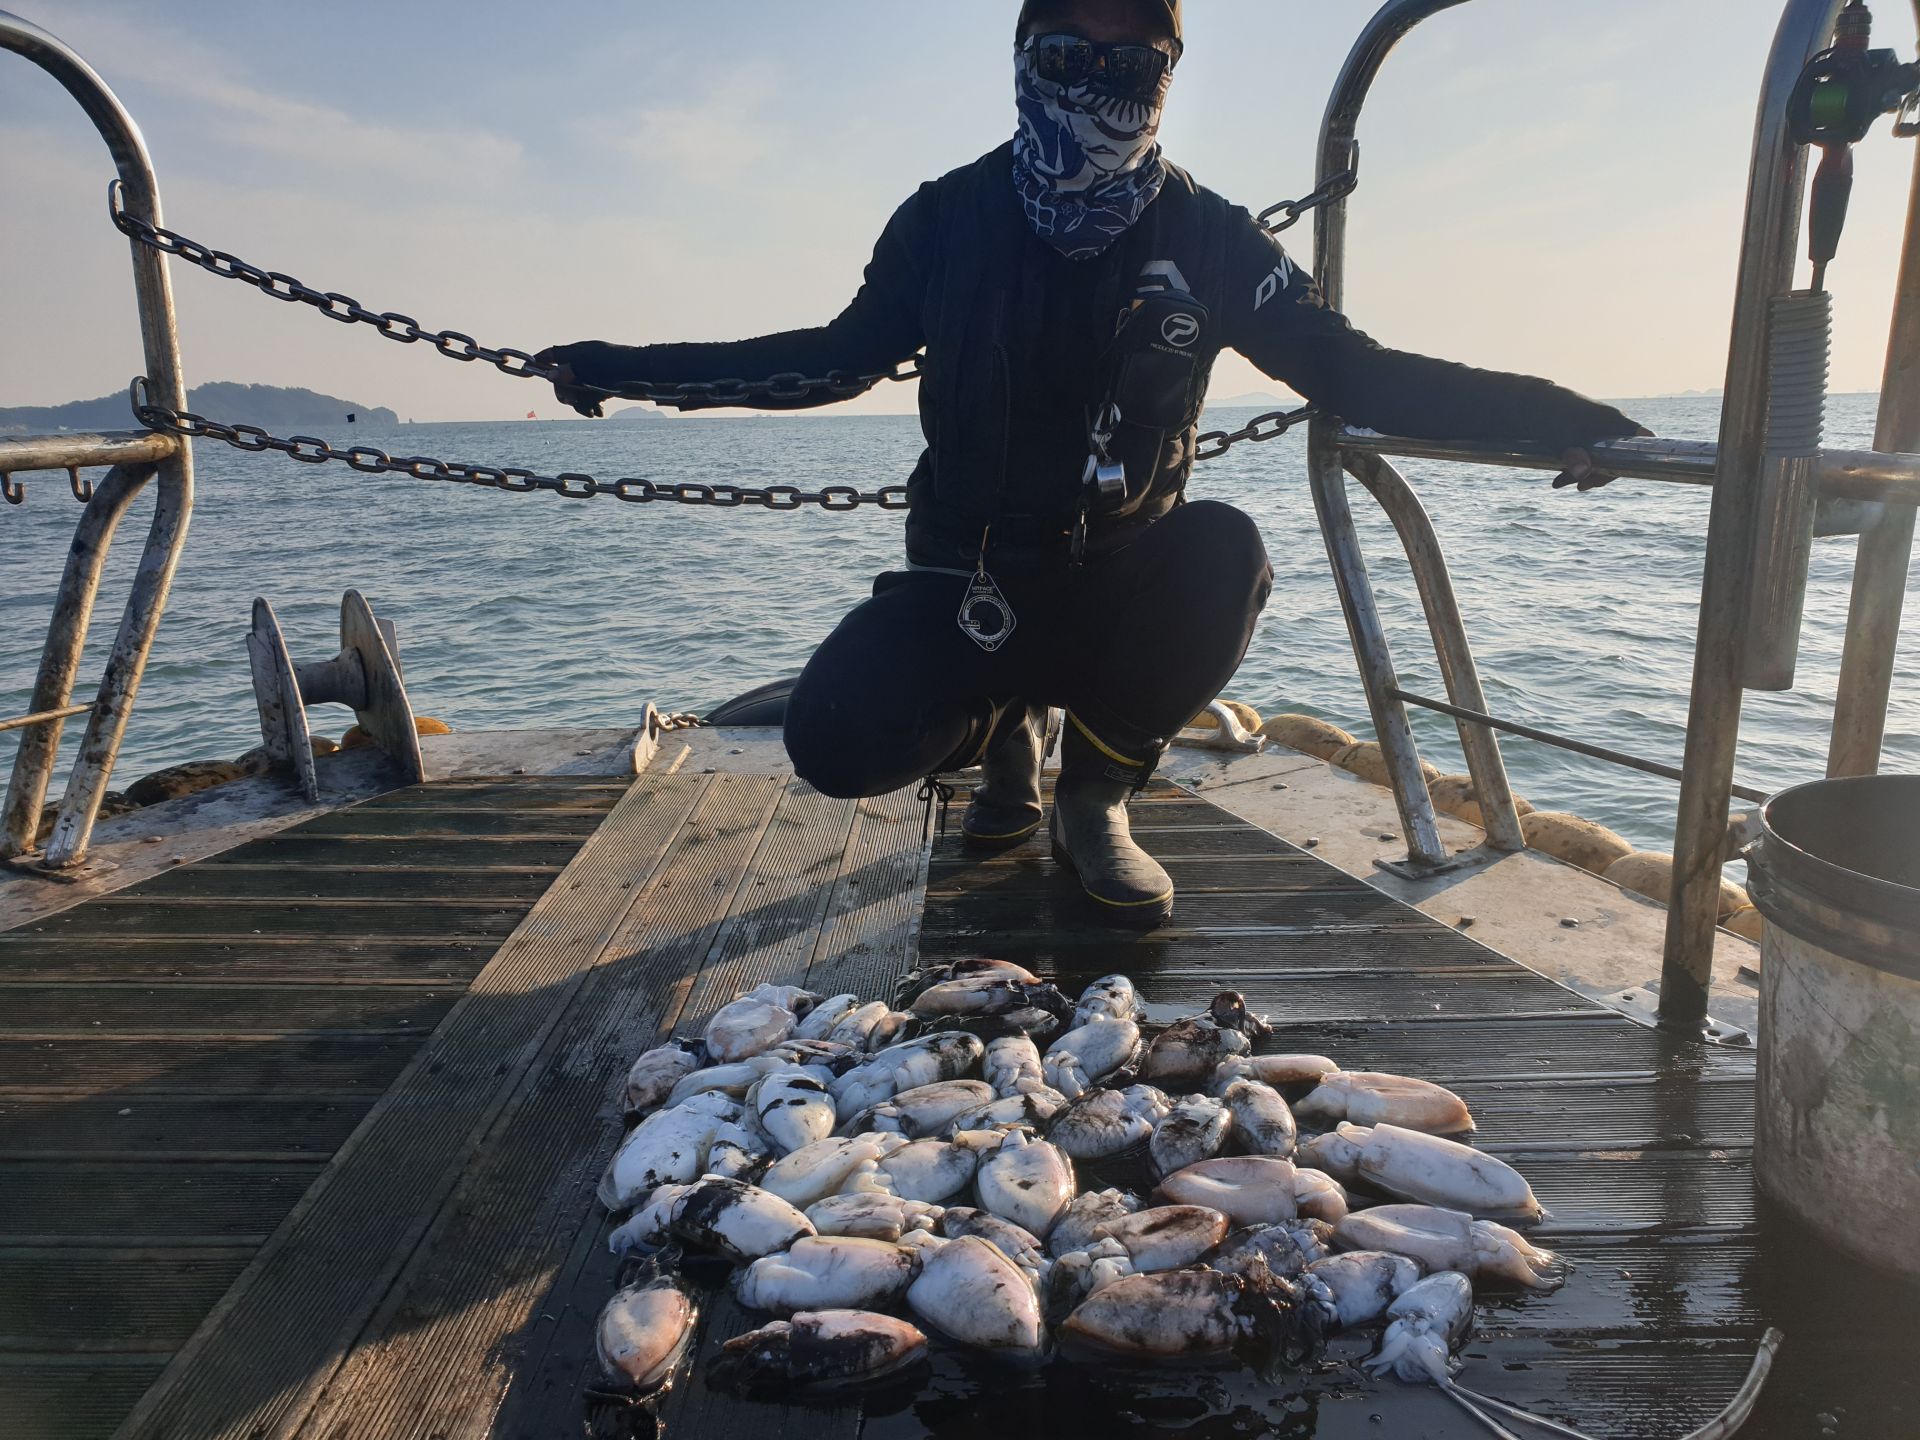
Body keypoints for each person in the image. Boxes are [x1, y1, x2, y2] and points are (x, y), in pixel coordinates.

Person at [538, 0, 1648, 928]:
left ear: (1169, 75)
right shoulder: (945, 220)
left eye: (1136, 62)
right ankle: (1001, 734)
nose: (1102, 87)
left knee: (1228, 550)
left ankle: (1096, 800)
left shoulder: (1214, 240)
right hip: (963, 577)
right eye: (1072, 57)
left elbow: (1355, 375)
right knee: (834, 740)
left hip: (1116, 577)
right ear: (1024, 60)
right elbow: (830, 363)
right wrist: (621, 367)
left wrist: (1560, 415)